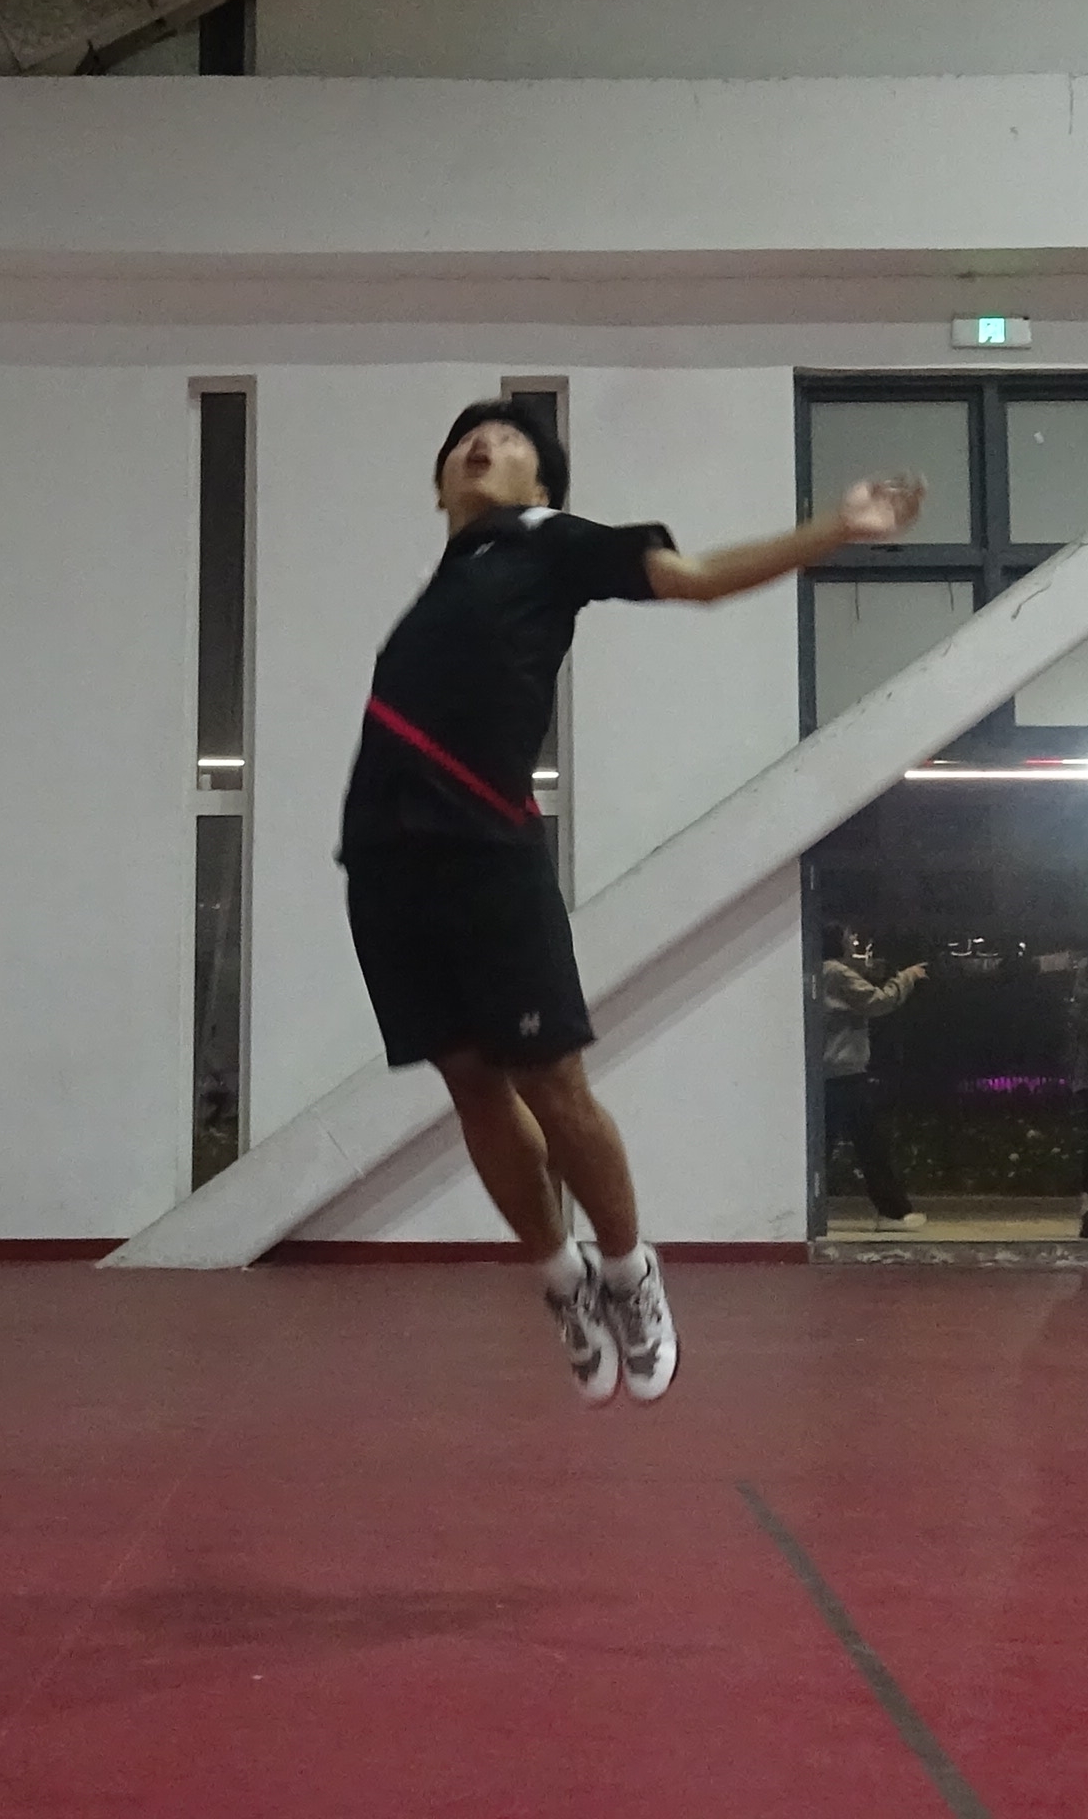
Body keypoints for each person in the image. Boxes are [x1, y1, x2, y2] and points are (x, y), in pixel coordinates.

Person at [339, 396, 924, 1404]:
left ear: (542, 484)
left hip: (488, 855)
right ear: (438, 484)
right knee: (471, 1084)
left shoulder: (550, 545)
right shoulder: (441, 592)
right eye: (467, 439)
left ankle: (626, 1270)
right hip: (388, 865)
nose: (483, 444)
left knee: (551, 1084)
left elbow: (696, 579)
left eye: (511, 441)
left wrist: (836, 528)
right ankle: (561, 1280)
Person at [815, 924, 929, 1229]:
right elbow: (878, 1001)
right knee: (871, 1145)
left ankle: (891, 1210)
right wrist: (907, 977)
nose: (853, 940)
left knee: (830, 1145)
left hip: (828, 1072)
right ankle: (893, 1212)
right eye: (848, 936)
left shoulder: (820, 972)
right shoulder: (836, 973)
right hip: (844, 1071)